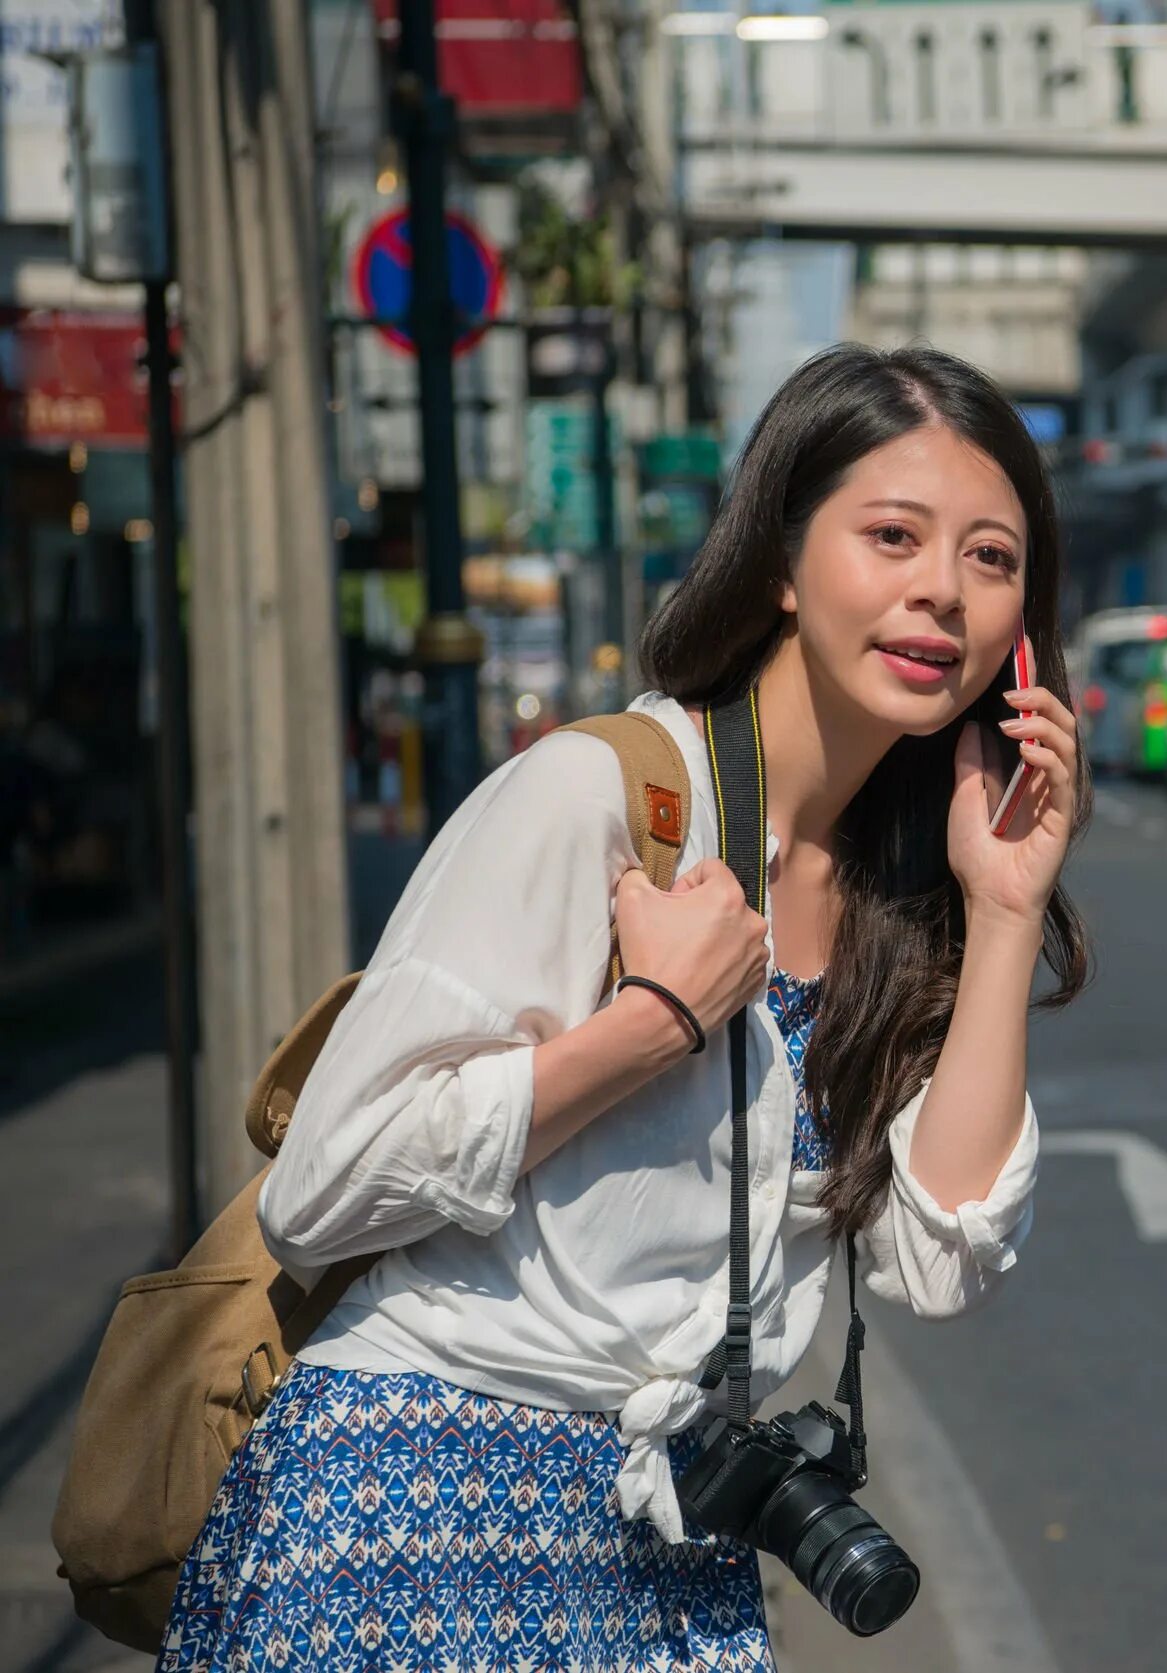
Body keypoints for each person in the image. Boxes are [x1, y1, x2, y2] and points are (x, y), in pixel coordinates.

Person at [156, 344, 1090, 1670]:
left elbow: (938, 1264)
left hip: (672, 1549)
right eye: (894, 535)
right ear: (782, 560)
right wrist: (653, 1017)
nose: (942, 587)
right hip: (411, 1516)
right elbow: (324, 1185)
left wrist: (1002, 908)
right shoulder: (602, 799)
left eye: (992, 558)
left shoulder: (907, 896)